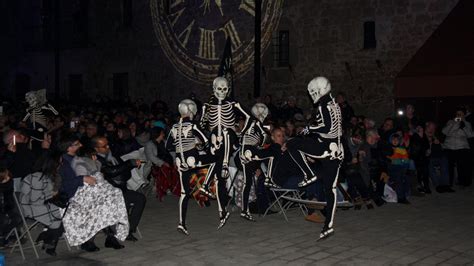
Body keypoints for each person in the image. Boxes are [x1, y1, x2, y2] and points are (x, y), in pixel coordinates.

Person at [285, 77, 344, 240]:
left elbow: (326, 127)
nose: (311, 95)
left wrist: (309, 128)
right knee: (330, 189)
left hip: (326, 148)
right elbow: (335, 129)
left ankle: (309, 173)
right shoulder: (334, 104)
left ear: (320, 90)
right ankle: (328, 226)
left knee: (292, 144)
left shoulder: (324, 104)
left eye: (313, 91)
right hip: (337, 150)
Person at [58, 135, 127, 251]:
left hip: (88, 191)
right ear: (68, 148)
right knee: (103, 203)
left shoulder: (78, 157)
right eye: (77, 144)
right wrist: (82, 179)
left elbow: (94, 173)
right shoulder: (63, 162)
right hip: (73, 194)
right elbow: (65, 183)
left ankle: (111, 236)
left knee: (111, 199)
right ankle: (88, 240)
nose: (80, 145)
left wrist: (94, 166)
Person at [165, 99, 215, 235]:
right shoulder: (193, 124)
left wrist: (184, 144)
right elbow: (206, 142)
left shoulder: (174, 127)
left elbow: (168, 146)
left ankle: (181, 223)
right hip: (192, 159)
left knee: (184, 193)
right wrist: (197, 143)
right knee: (215, 161)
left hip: (180, 162)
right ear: (191, 111)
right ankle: (205, 186)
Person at [93, 136, 146, 242]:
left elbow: (125, 175)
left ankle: (129, 230)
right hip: (106, 193)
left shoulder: (113, 156)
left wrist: (128, 166)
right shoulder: (95, 159)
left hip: (120, 189)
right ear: (96, 148)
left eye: (108, 144)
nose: (108, 147)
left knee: (140, 199)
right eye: (104, 146)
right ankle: (120, 232)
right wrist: (127, 165)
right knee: (123, 200)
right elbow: (110, 171)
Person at [20, 153, 64, 256]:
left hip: (41, 204)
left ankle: (47, 239)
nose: (61, 164)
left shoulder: (45, 176)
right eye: (59, 162)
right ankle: (48, 242)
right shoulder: (37, 177)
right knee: (59, 219)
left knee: (65, 214)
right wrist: (52, 194)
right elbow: (34, 199)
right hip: (31, 207)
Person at [442, 107, 473, 187]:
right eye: (457, 114)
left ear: (464, 115)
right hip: (449, 145)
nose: (459, 115)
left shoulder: (467, 123)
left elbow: (470, 135)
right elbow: (445, 132)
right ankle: (449, 182)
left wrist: (464, 127)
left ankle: (462, 182)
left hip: (462, 146)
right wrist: (455, 124)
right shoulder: (450, 122)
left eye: (461, 114)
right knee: (449, 164)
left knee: (463, 163)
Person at [0, 167, 21, 248]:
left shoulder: (9, 182)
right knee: (4, 220)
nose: (8, 177)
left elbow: (9, 198)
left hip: (7, 207)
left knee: (17, 219)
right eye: (6, 176)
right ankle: (2, 237)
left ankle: (3, 236)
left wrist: (5, 183)